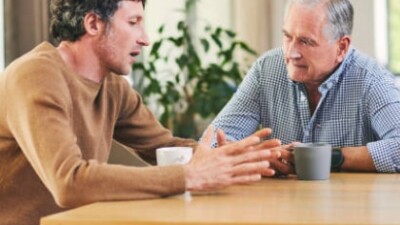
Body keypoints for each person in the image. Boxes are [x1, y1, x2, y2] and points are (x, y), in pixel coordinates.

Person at [0, 1, 282, 225]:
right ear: (93, 23)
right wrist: (189, 176)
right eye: (133, 22)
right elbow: (69, 182)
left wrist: (243, 159)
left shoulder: (112, 87)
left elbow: (165, 146)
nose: (145, 39)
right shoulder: (35, 75)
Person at [207, 0, 400, 175]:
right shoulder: (266, 70)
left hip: (353, 207)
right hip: (283, 206)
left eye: (306, 42)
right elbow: (211, 141)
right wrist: (257, 156)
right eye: (287, 36)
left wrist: (324, 157)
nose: (292, 53)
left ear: (341, 47)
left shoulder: (372, 79)